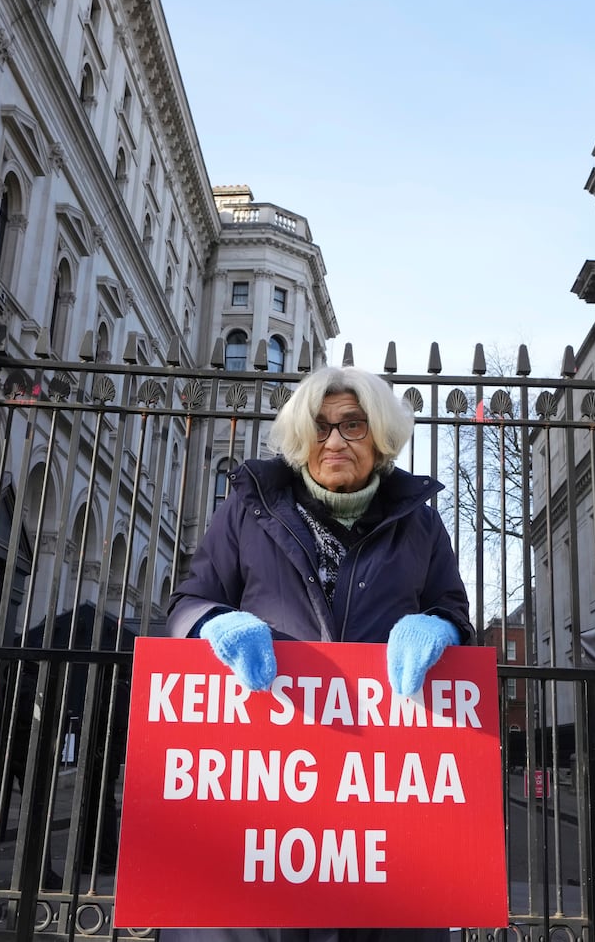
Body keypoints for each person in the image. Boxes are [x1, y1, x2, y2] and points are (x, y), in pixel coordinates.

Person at [163, 365, 474, 942]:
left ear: (379, 437)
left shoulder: (422, 526)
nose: (335, 441)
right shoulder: (246, 511)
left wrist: (439, 628)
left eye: (352, 425)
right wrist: (214, 622)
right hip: (260, 787)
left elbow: (455, 611)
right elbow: (187, 602)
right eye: (321, 426)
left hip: (381, 793)